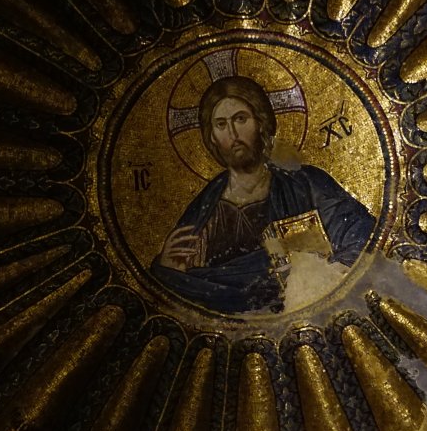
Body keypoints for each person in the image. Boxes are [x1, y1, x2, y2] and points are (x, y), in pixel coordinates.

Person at [150, 75, 375, 314]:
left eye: (240, 119)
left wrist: (320, 279)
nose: (233, 133)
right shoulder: (203, 212)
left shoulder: (306, 184)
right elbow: (180, 289)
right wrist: (168, 272)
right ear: (212, 136)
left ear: (260, 122)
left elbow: (362, 238)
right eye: (221, 124)